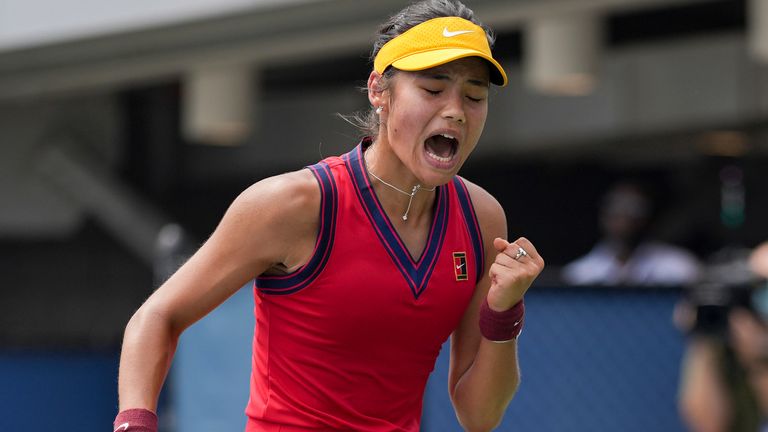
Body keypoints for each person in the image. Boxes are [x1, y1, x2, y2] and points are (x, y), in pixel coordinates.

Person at [114, 1, 545, 431]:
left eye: (474, 96)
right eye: (433, 90)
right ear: (379, 91)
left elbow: (479, 415)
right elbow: (157, 317)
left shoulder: (482, 220)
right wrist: (136, 422)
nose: (455, 110)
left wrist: (503, 312)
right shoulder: (294, 204)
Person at [675, 241, 768, 432]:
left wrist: (758, 362)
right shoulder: (730, 345)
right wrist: (704, 342)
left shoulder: (754, 352)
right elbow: (708, 425)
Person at [561, 181, 701, 286]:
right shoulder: (581, 273)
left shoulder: (679, 266)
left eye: (634, 209)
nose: (623, 217)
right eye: (616, 208)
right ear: (603, 215)